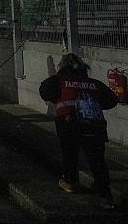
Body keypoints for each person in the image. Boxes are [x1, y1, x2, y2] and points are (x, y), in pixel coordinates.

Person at [39, 53, 119, 209]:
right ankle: (105, 194)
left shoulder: (60, 80)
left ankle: (70, 181)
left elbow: (45, 91)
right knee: (97, 159)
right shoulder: (93, 83)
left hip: (68, 122)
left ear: (63, 67)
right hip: (94, 125)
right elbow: (111, 100)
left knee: (69, 152)